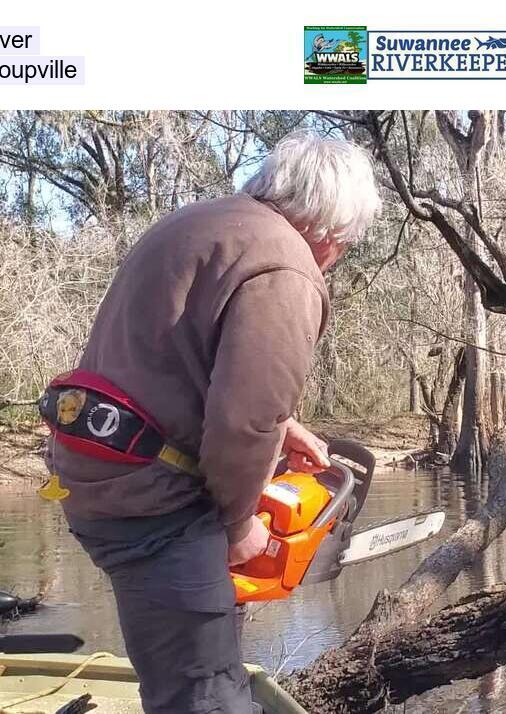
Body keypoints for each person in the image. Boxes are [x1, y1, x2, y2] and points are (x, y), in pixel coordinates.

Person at [42, 132, 382, 713]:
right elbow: (246, 421)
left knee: (186, 674)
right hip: (154, 501)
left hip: (99, 476)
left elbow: (177, 363)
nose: (335, 256)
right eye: (343, 244)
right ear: (329, 231)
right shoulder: (286, 266)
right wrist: (239, 523)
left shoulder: (200, 225)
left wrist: (286, 427)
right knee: (203, 696)